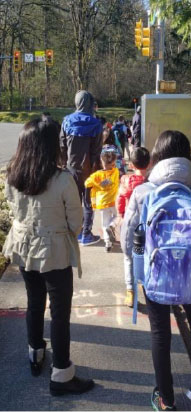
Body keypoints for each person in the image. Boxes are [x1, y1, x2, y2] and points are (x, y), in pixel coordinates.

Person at [121, 130, 191, 410]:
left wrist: (138, 264)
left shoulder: (143, 192)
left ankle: (165, 398)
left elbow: (129, 237)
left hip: (157, 274)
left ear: (157, 156)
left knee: (160, 333)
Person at [2, 118, 94, 396]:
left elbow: (12, 206)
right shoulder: (63, 179)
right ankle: (62, 373)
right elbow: (75, 221)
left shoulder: (12, 175)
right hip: (53, 250)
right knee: (59, 312)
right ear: (54, 145)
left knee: (34, 302)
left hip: (24, 246)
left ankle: (35, 353)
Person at [60, 90, 103, 246]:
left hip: (70, 168)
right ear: (90, 103)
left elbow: (62, 146)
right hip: (89, 169)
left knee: (71, 202)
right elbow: (97, 150)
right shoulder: (96, 124)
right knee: (88, 202)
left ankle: (71, 232)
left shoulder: (66, 121)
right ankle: (85, 235)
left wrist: (63, 165)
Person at [117, 147, 150, 307]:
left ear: (131, 164)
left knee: (128, 257)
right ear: (150, 163)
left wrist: (121, 215)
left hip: (130, 224)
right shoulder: (151, 183)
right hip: (147, 225)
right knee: (147, 255)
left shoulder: (126, 180)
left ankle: (130, 291)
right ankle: (147, 285)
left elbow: (121, 199)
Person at [85, 147, 119, 252]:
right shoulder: (115, 171)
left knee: (104, 224)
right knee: (119, 217)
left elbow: (87, 183)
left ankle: (108, 244)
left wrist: (98, 185)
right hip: (114, 201)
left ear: (101, 160)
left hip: (102, 203)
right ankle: (112, 226)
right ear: (114, 162)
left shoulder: (96, 175)